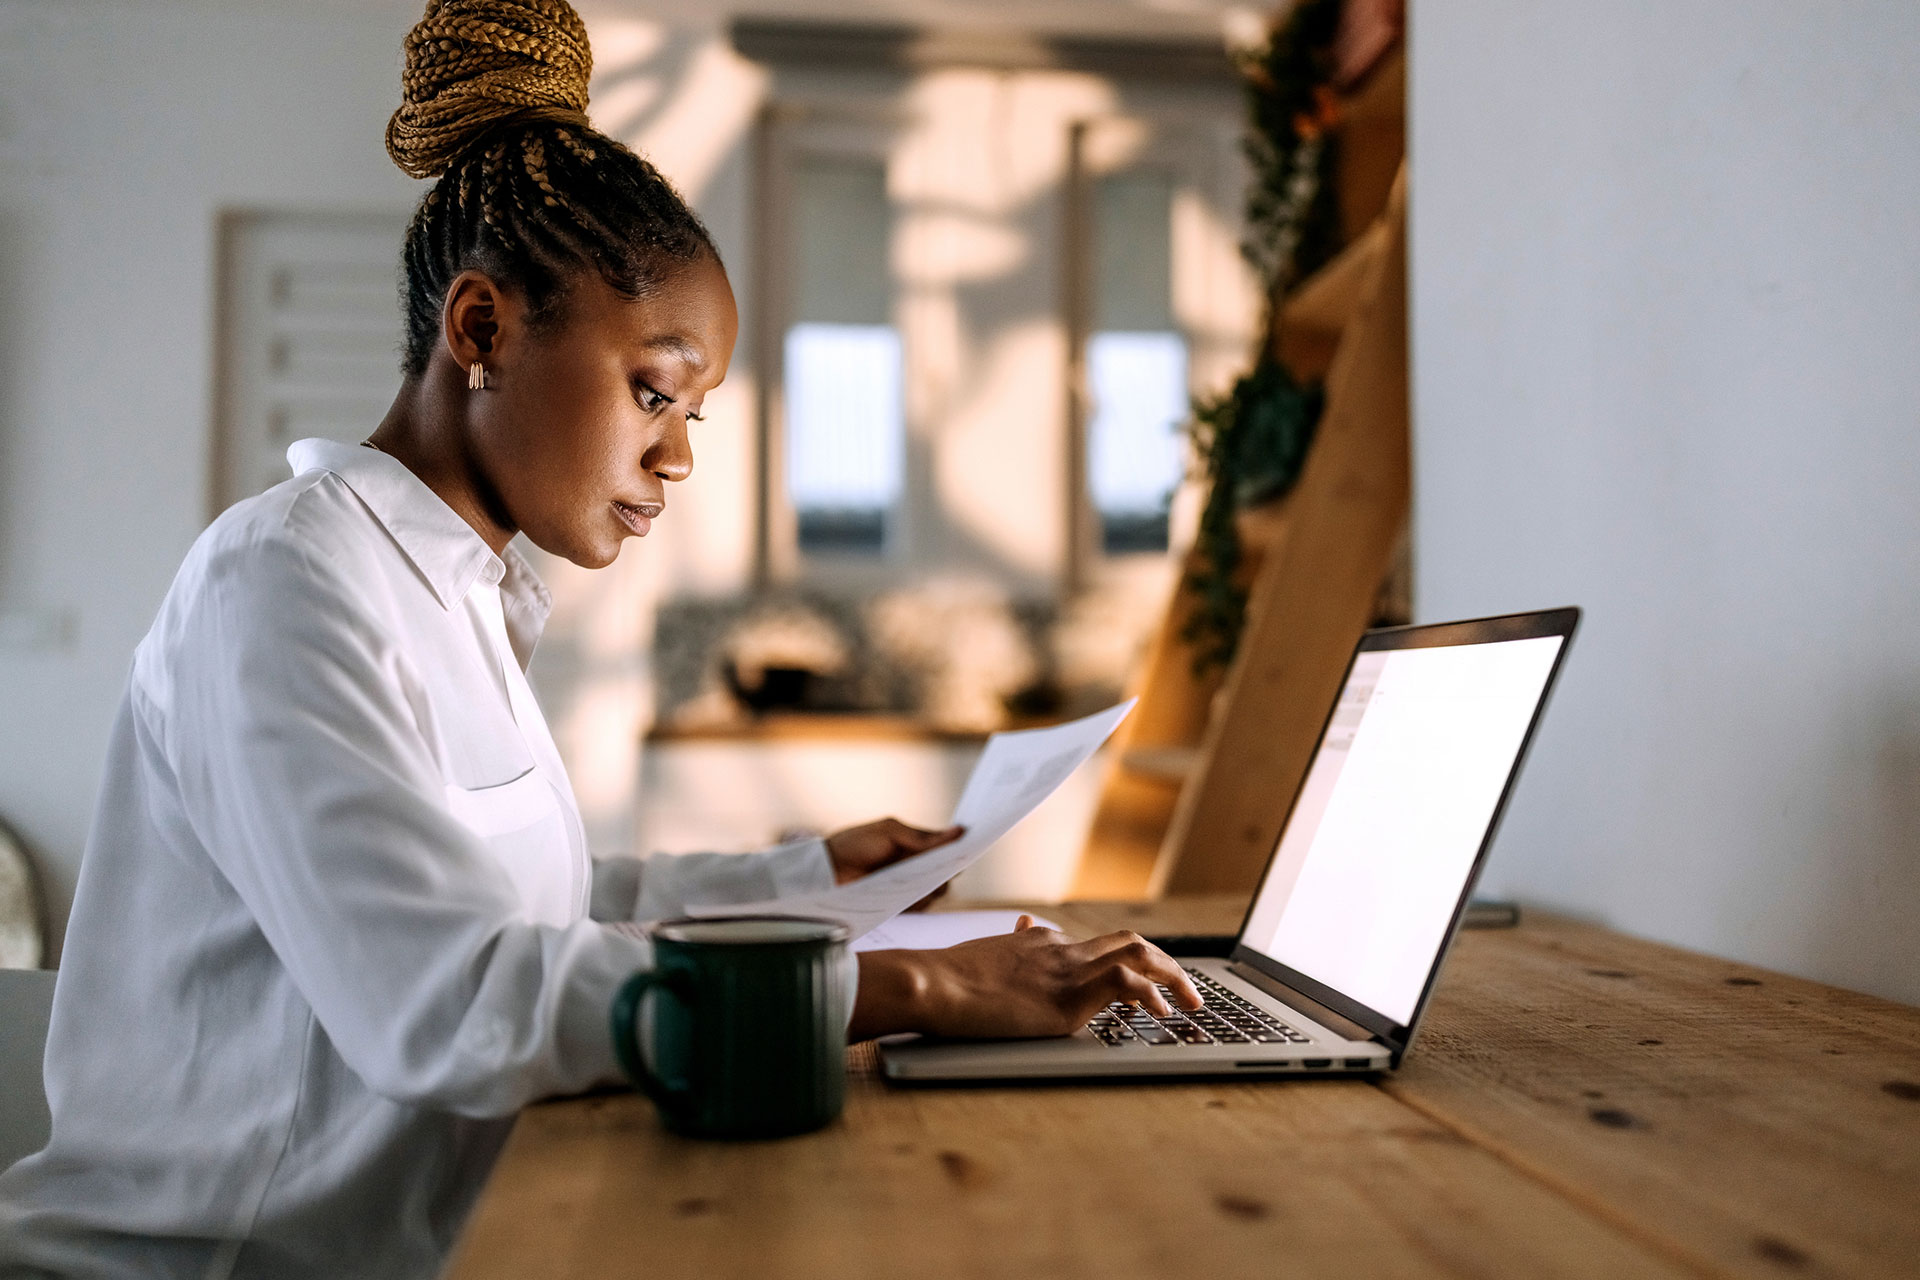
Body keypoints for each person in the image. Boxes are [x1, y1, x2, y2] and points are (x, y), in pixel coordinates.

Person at [0, 1, 1201, 1276]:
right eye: (653, 389)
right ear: (481, 331)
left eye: (695, 409)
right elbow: (446, 998)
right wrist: (914, 987)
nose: (677, 455)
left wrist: (810, 879)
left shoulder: (462, 591)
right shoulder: (286, 579)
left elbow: (544, 907)